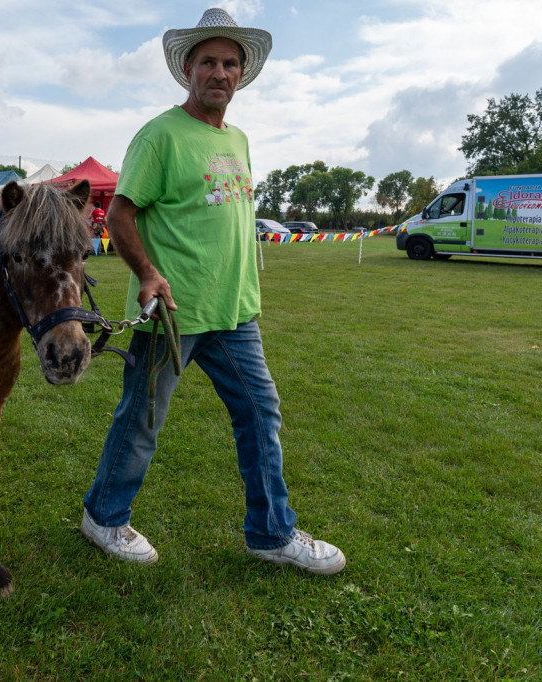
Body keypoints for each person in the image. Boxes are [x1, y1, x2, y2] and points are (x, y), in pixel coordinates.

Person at [80, 8, 345, 576]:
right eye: (208, 62)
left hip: (234, 312)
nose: (219, 72)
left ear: (242, 74)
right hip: (170, 313)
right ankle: (104, 516)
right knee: (141, 420)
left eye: (230, 63)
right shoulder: (160, 135)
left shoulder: (241, 139)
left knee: (260, 412)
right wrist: (148, 273)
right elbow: (120, 216)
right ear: (187, 70)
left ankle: (271, 534)